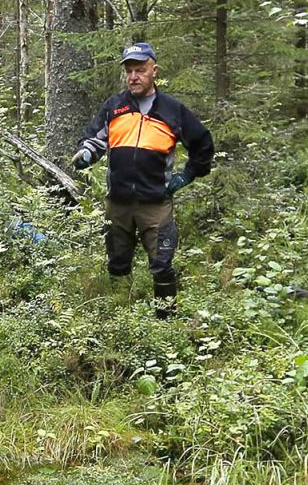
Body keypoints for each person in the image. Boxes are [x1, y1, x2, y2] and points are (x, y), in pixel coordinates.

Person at [69, 43, 214, 309]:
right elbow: (94, 138)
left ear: (154, 70)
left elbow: (203, 144)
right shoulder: (115, 106)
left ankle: (166, 322)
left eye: (140, 70)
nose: (133, 76)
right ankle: (119, 319)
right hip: (119, 203)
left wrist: (188, 175)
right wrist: (86, 153)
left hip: (156, 203)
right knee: (117, 263)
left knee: (161, 265)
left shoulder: (172, 110)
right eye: (129, 71)